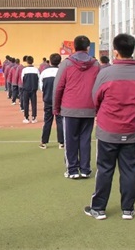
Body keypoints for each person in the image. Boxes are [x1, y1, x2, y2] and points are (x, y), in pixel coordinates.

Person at [84, 34, 135, 220]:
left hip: (109, 129)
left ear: (115, 51)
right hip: (131, 129)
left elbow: (96, 98)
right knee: (129, 170)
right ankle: (128, 208)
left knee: (105, 169)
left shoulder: (106, 73)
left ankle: (99, 208)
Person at [54, 35, 100, 179]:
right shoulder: (96, 65)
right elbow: (99, 87)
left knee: (70, 140)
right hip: (89, 107)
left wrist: (56, 107)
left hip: (70, 108)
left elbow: (58, 87)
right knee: (85, 139)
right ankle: (85, 169)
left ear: (74, 47)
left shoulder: (67, 64)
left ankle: (72, 169)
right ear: (88, 48)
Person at [39, 53, 63, 149]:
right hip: (60, 100)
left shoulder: (44, 72)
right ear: (60, 61)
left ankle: (44, 142)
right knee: (60, 121)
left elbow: (41, 86)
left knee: (47, 121)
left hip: (48, 99)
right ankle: (62, 142)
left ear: (50, 61)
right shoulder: (61, 72)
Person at [21, 56, 40, 124]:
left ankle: (26, 117)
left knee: (26, 103)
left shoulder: (24, 70)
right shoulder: (36, 69)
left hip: (26, 89)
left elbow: (22, 79)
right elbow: (38, 79)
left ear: (27, 61)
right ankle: (34, 117)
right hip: (33, 89)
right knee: (34, 103)